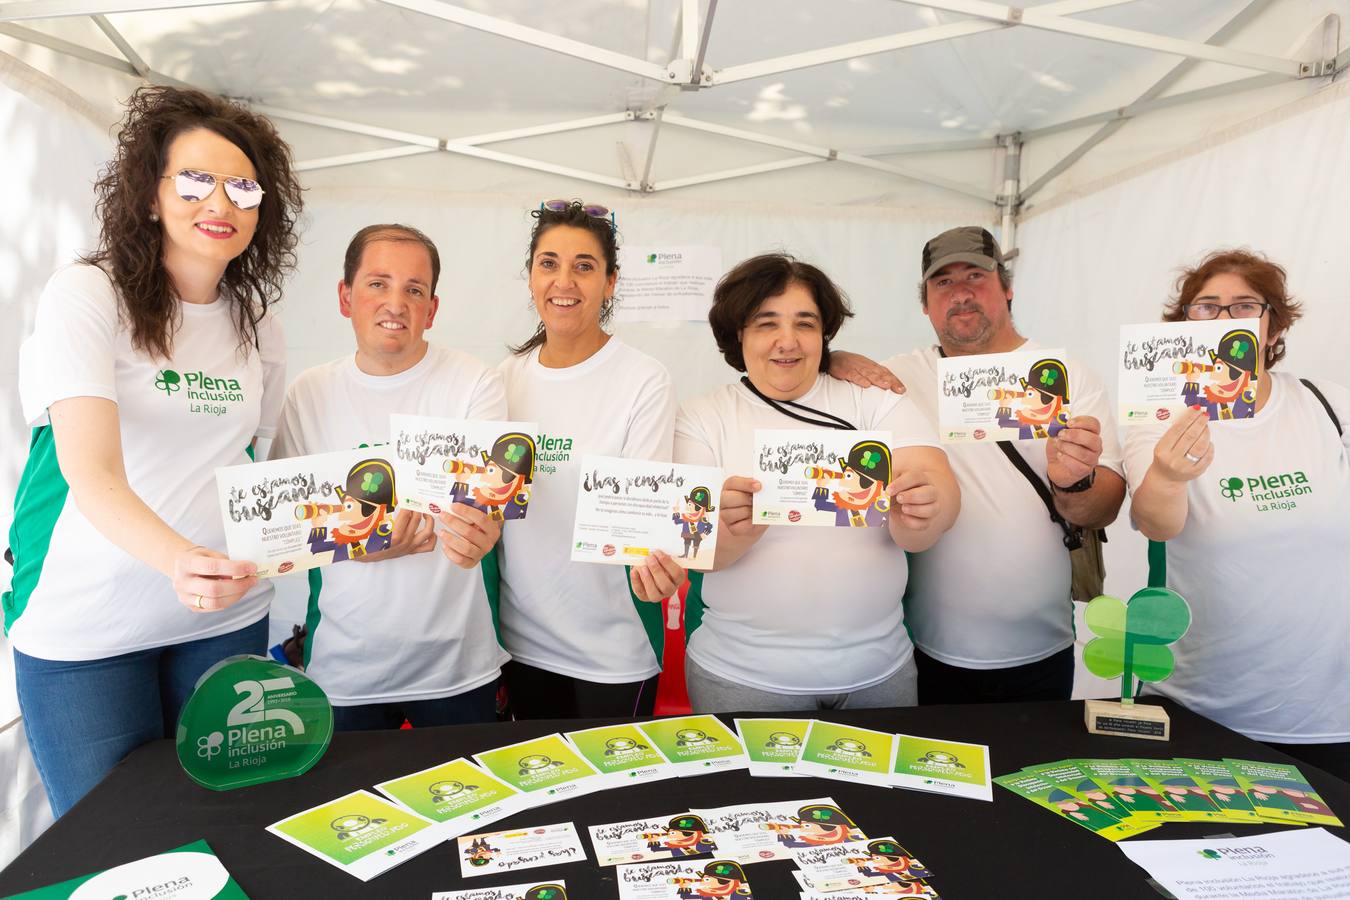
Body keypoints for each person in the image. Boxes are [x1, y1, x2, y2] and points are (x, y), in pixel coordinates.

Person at [4, 86, 302, 816]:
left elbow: (247, 464)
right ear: (148, 195)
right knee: (117, 846)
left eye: (242, 186)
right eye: (195, 180)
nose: (221, 202)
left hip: (224, 620)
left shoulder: (255, 323)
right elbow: (90, 471)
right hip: (87, 629)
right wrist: (177, 561)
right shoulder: (87, 295)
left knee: (226, 826)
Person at [647, 253, 958, 713]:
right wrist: (734, 530)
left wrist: (923, 511)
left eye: (805, 323)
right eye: (766, 323)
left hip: (879, 673)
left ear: (825, 333)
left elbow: (937, 494)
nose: (787, 341)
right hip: (742, 677)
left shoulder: (874, 399)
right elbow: (697, 551)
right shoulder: (701, 417)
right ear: (739, 333)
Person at [830, 226, 1125, 704]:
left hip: (1041, 651)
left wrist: (1075, 483)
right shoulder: (894, 378)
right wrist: (834, 359)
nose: (961, 293)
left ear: (1007, 288)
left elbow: (1103, 509)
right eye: (942, 282)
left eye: (975, 275)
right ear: (924, 303)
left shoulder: (1064, 376)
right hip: (924, 649)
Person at [269, 224, 508, 730]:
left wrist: (486, 530)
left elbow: (488, 506)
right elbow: (281, 530)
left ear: (432, 309)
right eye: (378, 283)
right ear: (345, 296)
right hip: (344, 671)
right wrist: (367, 541)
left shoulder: (474, 382)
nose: (395, 303)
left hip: (457, 667)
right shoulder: (308, 393)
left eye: (413, 290)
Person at [1124, 249, 1350, 781]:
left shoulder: (1327, 405)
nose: (1224, 320)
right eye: (1206, 308)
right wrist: (1169, 475)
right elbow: (1156, 524)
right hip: (1197, 704)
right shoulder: (1158, 411)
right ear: (1184, 325)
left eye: (1245, 305)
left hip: (1322, 711)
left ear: (1273, 328)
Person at [496, 200, 677, 719]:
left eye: (584, 266)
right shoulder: (504, 378)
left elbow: (643, 523)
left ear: (611, 281)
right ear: (531, 276)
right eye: (548, 263)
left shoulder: (644, 380)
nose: (563, 281)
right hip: (520, 646)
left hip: (613, 653)